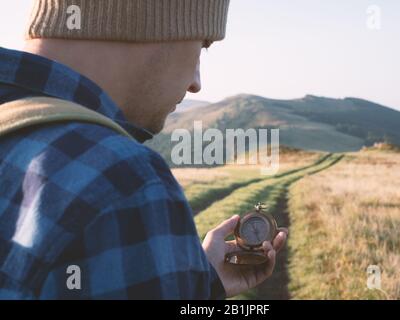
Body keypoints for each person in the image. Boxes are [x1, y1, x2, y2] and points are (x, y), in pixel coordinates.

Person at [0, 0, 288, 299]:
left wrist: (201, 283)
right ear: (151, 26)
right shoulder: (121, 179)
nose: (196, 83)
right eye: (203, 45)